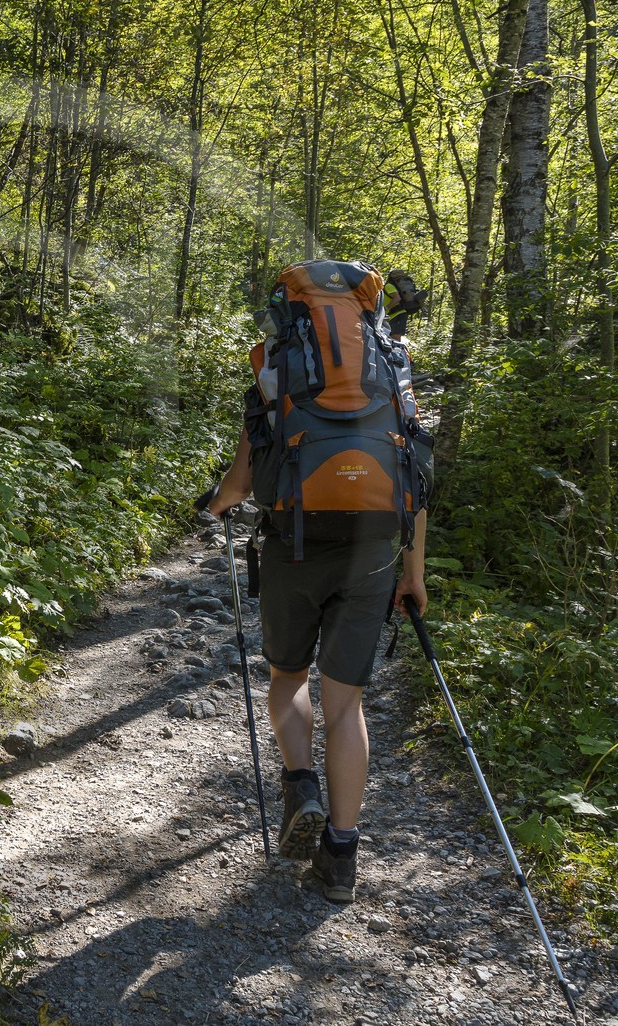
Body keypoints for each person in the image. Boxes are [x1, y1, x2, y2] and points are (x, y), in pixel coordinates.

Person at [202, 383, 428, 904]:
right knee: (346, 704)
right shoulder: (392, 377)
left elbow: (240, 484)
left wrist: (215, 506)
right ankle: (341, 858)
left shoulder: (278, 375)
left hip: (293, 548)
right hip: (371, 554)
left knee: (288, 676)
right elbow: (415, 486)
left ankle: (301, 785)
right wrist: (413, 575)